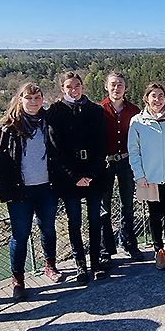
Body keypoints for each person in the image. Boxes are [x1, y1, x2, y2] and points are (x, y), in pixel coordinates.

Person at [0, 82, 60, 301]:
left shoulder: (49, 122)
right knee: (20, 236)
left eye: (37, 98)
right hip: (20, 191)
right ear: (20, 99)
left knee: (48, 229)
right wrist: (6, 190)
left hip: (46, 187)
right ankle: (18, 279)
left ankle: (50, 265)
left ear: (42, 100)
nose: (33, 102)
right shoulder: (9, 127)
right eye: (28, 98)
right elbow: (2, 162)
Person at [46, 71, 108, 284]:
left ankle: (96, 263)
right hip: (69, 178)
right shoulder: (55, 112)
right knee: (74, 222)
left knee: (94, 220)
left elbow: (102, 145)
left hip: (93, 175)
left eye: (77, 86)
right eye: (69, 87)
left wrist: (90, 174)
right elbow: (55, 149)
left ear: (83, 86)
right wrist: (74, 176)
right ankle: (80, 265)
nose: (74, 90)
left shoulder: (95, 110)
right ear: (62, 89)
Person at [128, 83, 165, 270]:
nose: (158, 99)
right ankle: (159, 251)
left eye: (161, 95)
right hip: (150, 178)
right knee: (155, 216)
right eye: (153, 95)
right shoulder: (137, 122)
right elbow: (134, 151)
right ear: (146, 98)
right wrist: (139, 175)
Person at [99, 72, 142, 260]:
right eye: (113, 84)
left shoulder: (134, 110)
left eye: (120, 85)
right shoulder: (98, 109)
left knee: (128, 206)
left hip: (127, 161)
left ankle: (129, 243)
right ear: (106, 87)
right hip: (105, 163)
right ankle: (106, 250)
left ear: (126, 88)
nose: (117, 88)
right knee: (104, 208)